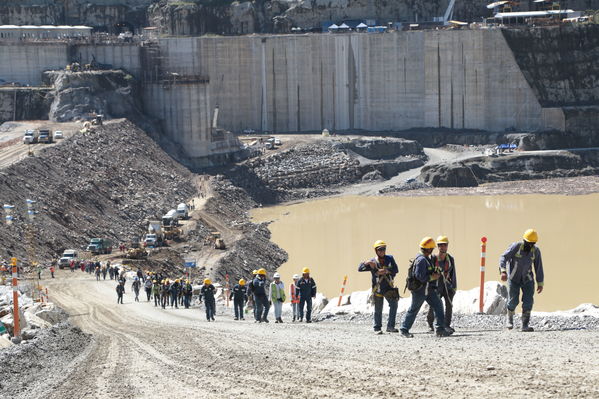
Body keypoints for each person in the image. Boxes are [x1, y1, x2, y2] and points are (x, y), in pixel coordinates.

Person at [400, 237, 451, 338]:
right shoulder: (421, 260)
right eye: (431, 248)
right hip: (420, 290)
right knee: (414, 309)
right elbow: (419, 276)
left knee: (439, 306)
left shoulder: (426, 258)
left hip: (429, 289)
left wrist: (434, 272)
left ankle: (440, 329)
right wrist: (433, 277)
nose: (432, 250)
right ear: (428, 249)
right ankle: (404, 329)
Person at [500, 229, 544, 332]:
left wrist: (540, 282)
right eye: (528, 243)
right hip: (513, 278)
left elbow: (538, 267)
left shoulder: (535, 251)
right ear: (524, 240)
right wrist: (503, 271)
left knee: (528, 301)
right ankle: (509, 319)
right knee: (513, 301)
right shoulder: (516, 247)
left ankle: (525, 325)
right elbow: (503, 257)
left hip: (527, 279)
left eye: (532, 244)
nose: (530, 246)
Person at [358, 240, 399, 334]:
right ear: (376, 251)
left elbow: (396, 270)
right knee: (378, 308)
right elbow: (359, 269)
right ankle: (377, 328)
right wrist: (366, 263)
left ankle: (390, 326)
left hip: (389, 287)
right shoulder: (373, 262)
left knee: (394, 304)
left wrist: (386, 271)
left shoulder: (390, 258)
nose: (382, 251)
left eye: (384, 249)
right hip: (378, 288)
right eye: (380, 249)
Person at [427, 236, 457, 334]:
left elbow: (453, 273)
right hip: (436, 285)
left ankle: (446, 325)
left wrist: (454, 287)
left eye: (444, 245)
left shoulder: (450, 259)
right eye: (440, 245)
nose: (443, 247)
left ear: (447, 246)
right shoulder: (433, 258)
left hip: (447, 286)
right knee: (434, 305)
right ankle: (430, 323)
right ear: (438, 246)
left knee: (449, 305)